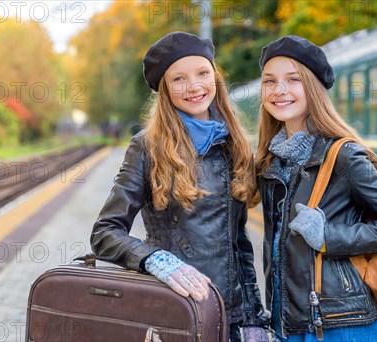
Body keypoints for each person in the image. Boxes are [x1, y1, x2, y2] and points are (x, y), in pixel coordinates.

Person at [91, 32, 269, 342]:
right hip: (172, 310)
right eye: (179, 79)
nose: (195, 86)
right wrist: (155, 260)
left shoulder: (233, 144)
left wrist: (252, 318)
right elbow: (105, 233)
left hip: (228, 317)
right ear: (164, 91)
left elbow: (239, 245)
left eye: (202, 73)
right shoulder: (147, 147)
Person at [254, 35, 377, 341]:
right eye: (269, 81)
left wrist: (329, 236)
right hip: (288, 323)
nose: (279, 90)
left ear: (313, 88)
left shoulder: (344, 156)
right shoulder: (271, 163)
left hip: (341, 325)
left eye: (293, 79)